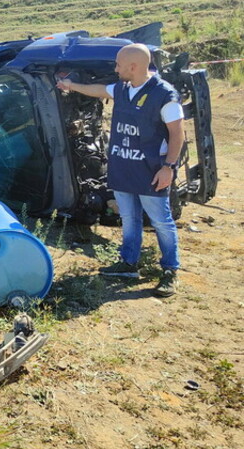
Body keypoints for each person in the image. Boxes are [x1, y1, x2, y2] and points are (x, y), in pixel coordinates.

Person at [57, 43, 184, 297]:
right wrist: (70, 85)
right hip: (124, 168)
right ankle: (128, 264)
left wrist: (168, 167)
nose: (115, 69)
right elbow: (99, 90)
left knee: (161, 221)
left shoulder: (164, 95)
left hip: (151, 171)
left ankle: (170, 270)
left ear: (133, 67)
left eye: (118, 65)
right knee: (129, 218)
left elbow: (178, 134)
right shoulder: (123, 88)